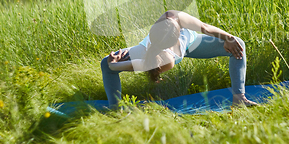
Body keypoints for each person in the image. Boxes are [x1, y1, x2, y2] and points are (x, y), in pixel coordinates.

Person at [100, 10, 258, 109]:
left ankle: (239, 99)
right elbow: (138, 65)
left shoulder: (172, 16)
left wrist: (228, 37)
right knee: (105, 63)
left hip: (192, 43)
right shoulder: (165, 58)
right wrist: (113, 65)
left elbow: (204, 27)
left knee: (238, 43)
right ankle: (115, 109)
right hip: (155, 52)